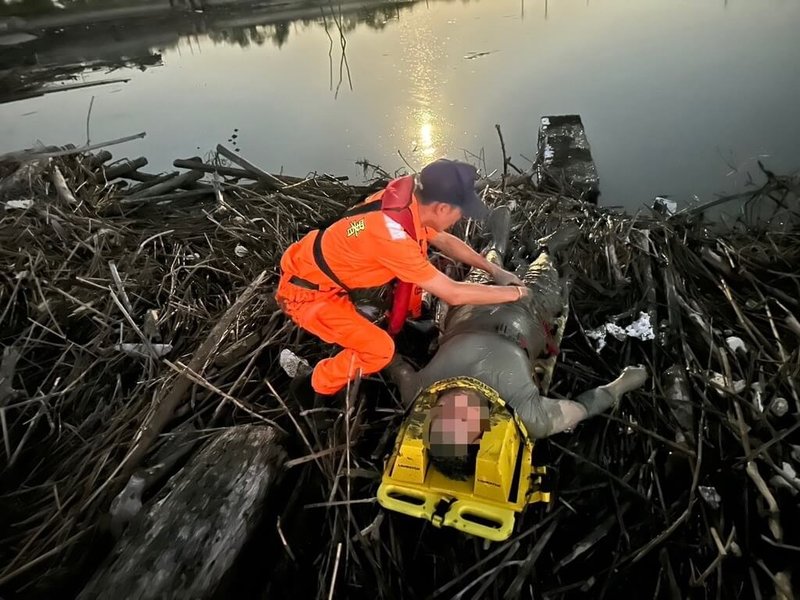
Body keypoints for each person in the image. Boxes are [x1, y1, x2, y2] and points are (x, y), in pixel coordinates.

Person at [387, 211, 648, 479]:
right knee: (543, 272)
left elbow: (394, 364)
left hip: (470, 304)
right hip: (529, 314)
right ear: (482, 433)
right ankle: (547, 250)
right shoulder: (526, 413)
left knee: (488, 264)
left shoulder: (421, 392)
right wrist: (622, 384)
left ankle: (498, 246)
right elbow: (582, 408)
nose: (454, 405)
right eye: (464, 420)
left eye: (442, 416)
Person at [276, 159, 526, 399]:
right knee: (379, 350)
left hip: (327, 274)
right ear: (442, 208)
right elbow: (453, 293)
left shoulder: (408, 204)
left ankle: (401, 327)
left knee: (416, 279)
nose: (459, 220)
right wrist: (516, 294)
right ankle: (314, 385)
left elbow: (445, 241)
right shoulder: (391, 236)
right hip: (306, 294)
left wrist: (495, 271)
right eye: (460, 213)